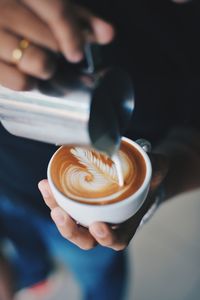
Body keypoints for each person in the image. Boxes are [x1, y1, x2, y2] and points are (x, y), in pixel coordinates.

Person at [0, 0, 200, 299]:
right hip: (5, 177)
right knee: (24, 249)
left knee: (98, 276)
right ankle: (35, 275)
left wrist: (156, 190)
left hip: (89, 221)